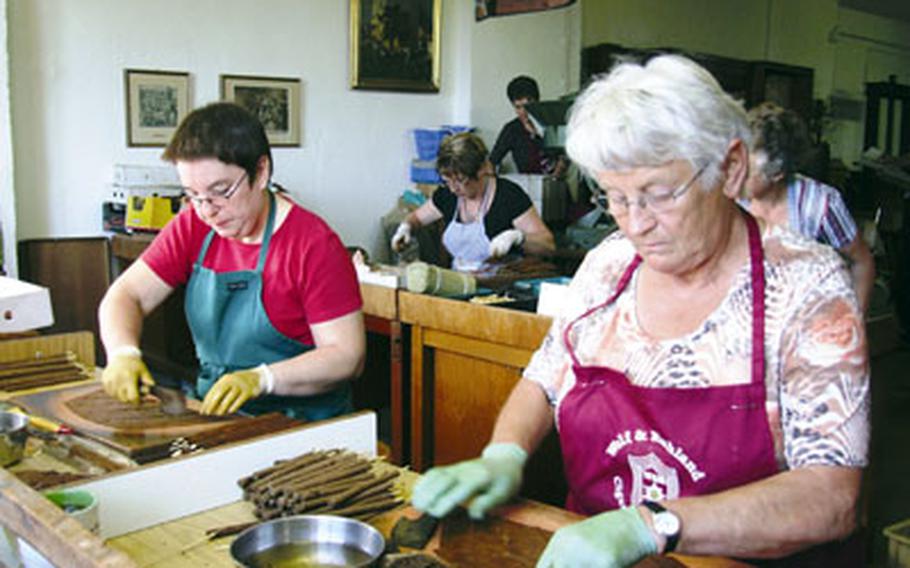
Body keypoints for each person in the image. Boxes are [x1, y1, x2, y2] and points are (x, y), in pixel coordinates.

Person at [411, 55, 869, 567]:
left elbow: (832, 497)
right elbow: (545, 376)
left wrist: (652, 525)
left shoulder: (808, 286)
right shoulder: (610, 263)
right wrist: (505, 453)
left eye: (657, 195)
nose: (636, 224)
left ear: (731, 167)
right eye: (616, 199)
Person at [99, 102, 365, 419]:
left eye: (221, 191)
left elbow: (347, 356)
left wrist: (262, 379)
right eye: (192, 195)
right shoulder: (193, 226)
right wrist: (122, 352)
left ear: (261, 171)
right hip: (222, 414)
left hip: (304, 423)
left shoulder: (313, 245)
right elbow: (126, 295)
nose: (207, 210)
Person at [743, 101, 876, 313]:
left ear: (777, 174)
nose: (736, 175)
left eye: (748, 172)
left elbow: (862, 262)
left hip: (803, 320)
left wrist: (854, 324)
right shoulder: (730, 199)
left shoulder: (820, 205)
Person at [391, 132, 555, 271]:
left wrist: (518, 238)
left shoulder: (508, 196)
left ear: (481, 170)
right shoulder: (447, 195)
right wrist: (406, 228)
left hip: (500, 288)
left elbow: (548, 245)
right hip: (460, 284)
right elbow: (417, 218)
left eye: (461, 180)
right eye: (448, 181)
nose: (454, 188)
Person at [489, 75, 555, 175]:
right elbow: (492, 161)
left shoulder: (553, 124)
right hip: (528, 184)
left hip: (554, 183)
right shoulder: (511, 129)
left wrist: (536, 134)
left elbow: (564, 158)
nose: (524, 112)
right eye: (518, 107)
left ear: (537, 102)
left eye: (527, 106)